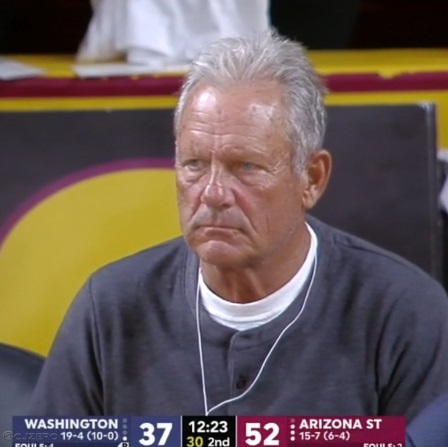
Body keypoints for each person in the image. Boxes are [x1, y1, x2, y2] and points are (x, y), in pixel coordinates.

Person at [29, 31, 448, 418]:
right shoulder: (110, 307)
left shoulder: (405, 314)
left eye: (245, 166)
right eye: (194, 164)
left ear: (312, 178)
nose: (212, 193)